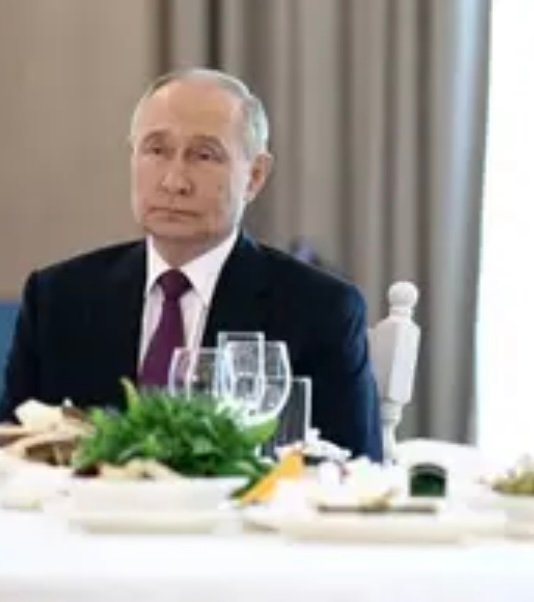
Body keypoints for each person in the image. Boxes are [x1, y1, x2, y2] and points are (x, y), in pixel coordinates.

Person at [1, 68, 382, 460]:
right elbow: (11, 457)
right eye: (156, 150)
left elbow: (355, 470)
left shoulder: (319, 309)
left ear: (254, 176)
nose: (174, 182)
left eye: (204, 156)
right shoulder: (58, 298)